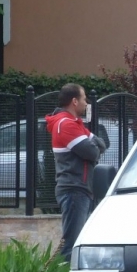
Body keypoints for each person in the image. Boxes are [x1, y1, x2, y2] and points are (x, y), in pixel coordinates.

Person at [46, 84, 107, 261]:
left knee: (77, 242)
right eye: (84, 99)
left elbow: (103, 144)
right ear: (74, 101)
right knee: (71, 244)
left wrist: (93, 147)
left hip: (80, 189)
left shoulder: (74, 124)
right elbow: (93, 152)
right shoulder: (66, 125)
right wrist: (93, 148)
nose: (86, 103)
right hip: (74, 189)